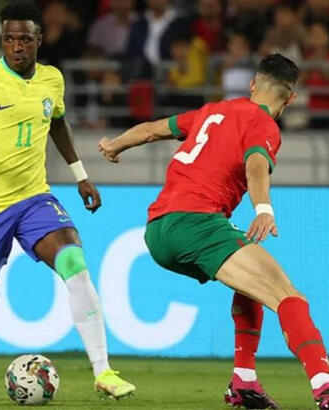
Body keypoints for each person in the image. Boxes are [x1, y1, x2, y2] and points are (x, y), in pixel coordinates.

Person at [0, 1, 135, 401]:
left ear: (39, 40)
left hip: (34, 197)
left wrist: (81, 175)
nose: (16, 46)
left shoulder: (52, 79)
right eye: (9, 39)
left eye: (25, 39)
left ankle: (103, 371)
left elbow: (57, 123)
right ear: (2, 39)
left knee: (75, 264)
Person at [98, 53, 329, 410]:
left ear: (253, 84)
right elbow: (255, 165)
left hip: (159, 228)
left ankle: (245, 382)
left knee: (251, 288)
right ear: (291, 98)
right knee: (289, 297)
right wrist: (264, 208)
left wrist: (114, 145)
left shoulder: (211, 111)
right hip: (196, 222)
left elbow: (152, 129)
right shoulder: (264, 124)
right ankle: (324, 387)